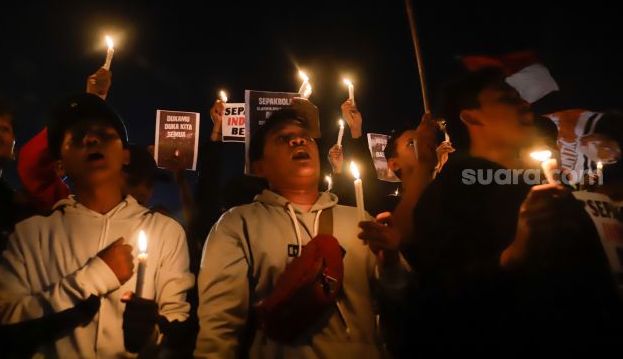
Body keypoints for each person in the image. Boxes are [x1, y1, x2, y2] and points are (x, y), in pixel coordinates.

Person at [402, 68, 622, 355]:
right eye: (507, 99)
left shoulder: (544, 186)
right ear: (471, 117)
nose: (525, 105)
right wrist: (513, 255)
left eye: (520, 97)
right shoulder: (451, 193)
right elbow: (441, 298)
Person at [0, 93, 193, 357]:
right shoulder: (31, 234)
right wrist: (95, 276)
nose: (92, 139)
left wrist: (149, 334)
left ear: (125, 156)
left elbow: (176, 323)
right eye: (77, 136)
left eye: (105, 134)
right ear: (60, 164)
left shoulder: (165, 232)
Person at [195, 108, 411, 358]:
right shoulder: (238, 225)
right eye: (282, 138)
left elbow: (402, 301)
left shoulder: (362, 222)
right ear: (259, 167)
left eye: (305, 136)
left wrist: (392, 263)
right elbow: (219, 328)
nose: (298, 140)